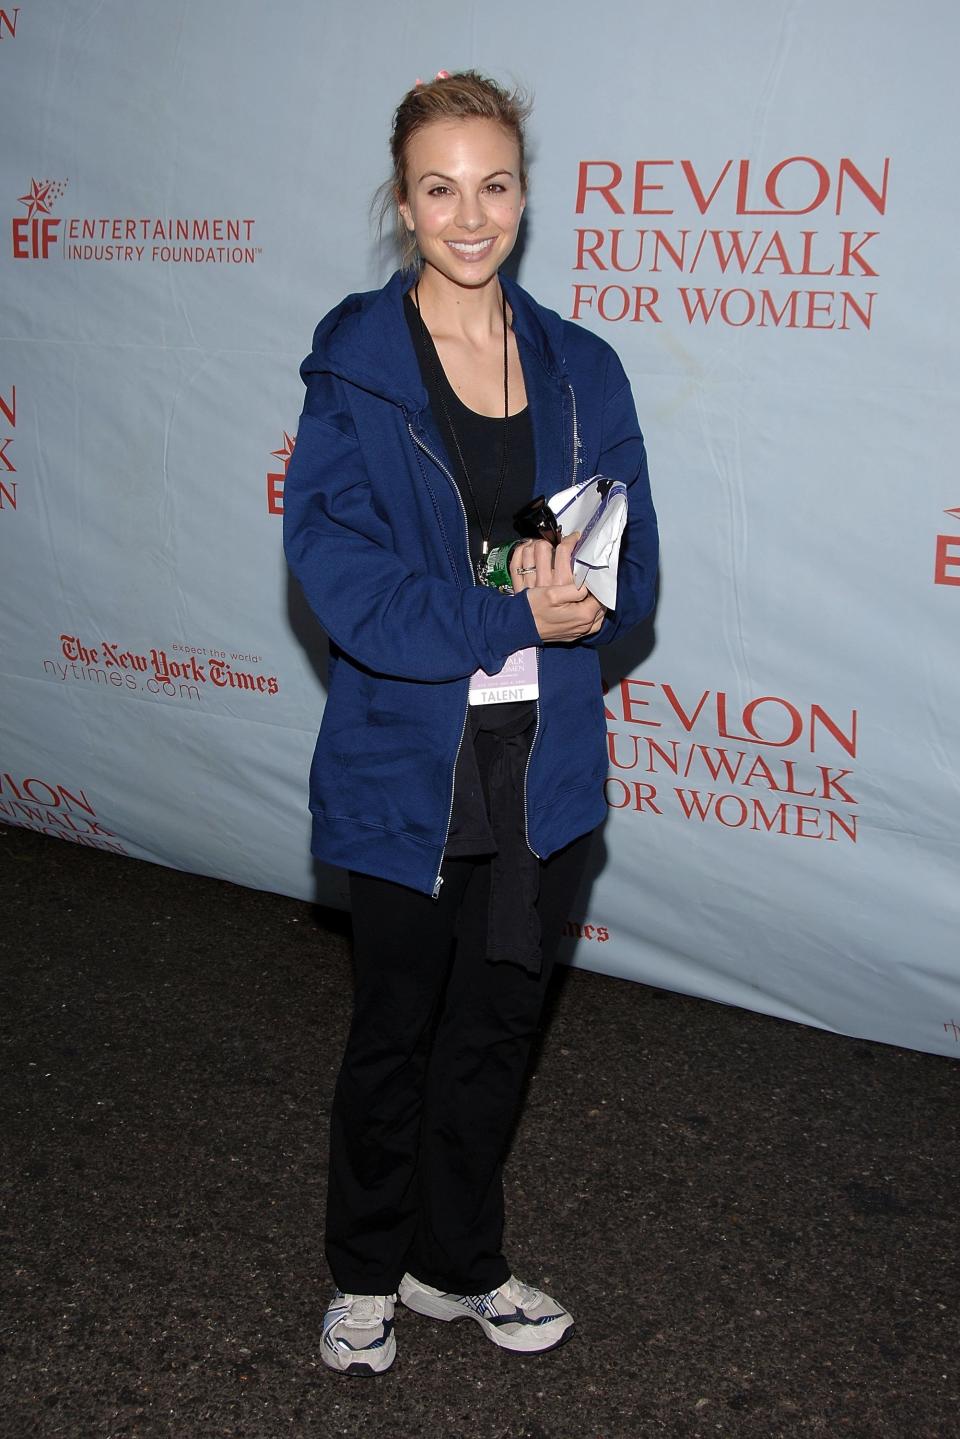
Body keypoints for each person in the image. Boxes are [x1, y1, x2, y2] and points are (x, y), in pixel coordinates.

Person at [282, 70, 658, 1376]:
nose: (469, 212)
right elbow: (343, 582)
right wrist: (515, 613)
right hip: (406, 761)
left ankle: (456, 1263)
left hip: (544, 762)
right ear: (403, 202)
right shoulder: (360, 366)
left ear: (522, 195)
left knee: (498, 1031)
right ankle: (364, 1272)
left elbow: (630, 574)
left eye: (493, 183)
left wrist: (580, 600)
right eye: (440, 187)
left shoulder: (578, 370)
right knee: (396, 1028)